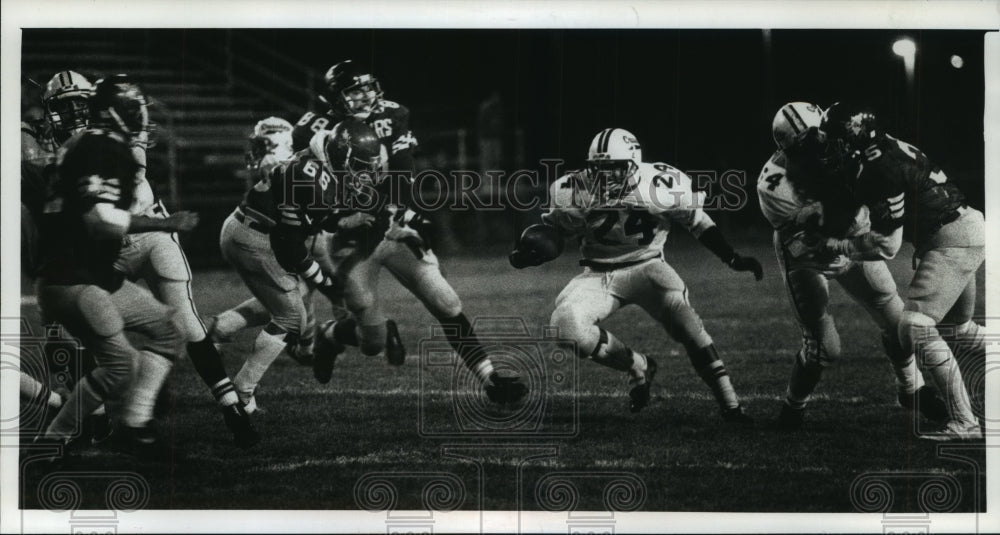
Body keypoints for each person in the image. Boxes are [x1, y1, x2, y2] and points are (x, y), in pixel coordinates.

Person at [295, 61, 528, 403]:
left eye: (367, 87)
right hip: (349, 236)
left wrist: (402, 213)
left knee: (446, 300)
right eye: (354, 91)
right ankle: (329, 336)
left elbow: (403, 171)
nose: (366, 95)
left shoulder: (393, 115)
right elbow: (307, 190)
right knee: (372, 342)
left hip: (391, 226)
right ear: (335, 97)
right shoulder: (310, 131)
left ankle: (491, 380)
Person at [509, 128, 760, 420]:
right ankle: (638, 366)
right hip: (597, 273)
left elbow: (697, 221)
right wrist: (532, 251)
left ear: (633, 164)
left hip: (648, 266)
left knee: (688, 325)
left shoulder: (661, 182)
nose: (606, 177)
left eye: (614, 169)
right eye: (599, 169)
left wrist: (732, 257)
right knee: (566, 327)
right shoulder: (570, 189)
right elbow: (556, 231)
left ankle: (731, 405)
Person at [758, 102, 947, 430]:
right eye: (809, 144)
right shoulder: (775, 186)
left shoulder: (844, 149)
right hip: (807, 251)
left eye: (822, 136)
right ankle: (793, 408)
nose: (821, 146)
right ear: (789, 150)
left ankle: (911, 389)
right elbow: (806, 237)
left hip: (853, 236)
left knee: (898, 321)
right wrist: (835, 246)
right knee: (824, 348)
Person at [35, 76, 196, 454]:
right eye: (134, 108)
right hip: (73, 278)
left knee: (168, 329)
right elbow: (101, 221)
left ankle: (137, 425)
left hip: (89, 275)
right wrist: (165, 223)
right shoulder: (103, 149)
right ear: (115, 112)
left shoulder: (87, 144)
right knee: (122, 366)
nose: (141, 115)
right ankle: (55, 440)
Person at [806, 103, 985, 441]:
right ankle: (965, 420)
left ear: (852, 139)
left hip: (951, 237)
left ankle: (965, 422)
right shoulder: (884, 147)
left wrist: (838, 246)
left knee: (914, 326)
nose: (832, 149)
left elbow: (888, 246)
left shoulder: (879, 169)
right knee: (958, 329)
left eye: (836, 141)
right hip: (964, 228)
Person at [213, 117, 326, 412]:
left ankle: (224, 326)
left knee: (293, 297)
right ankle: (243, 392)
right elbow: (297, 233)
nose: (257, 149)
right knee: (292, 316)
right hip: (257, 236)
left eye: (263, 143)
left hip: (243, 229)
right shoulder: (295, 166)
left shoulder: (295, 163)